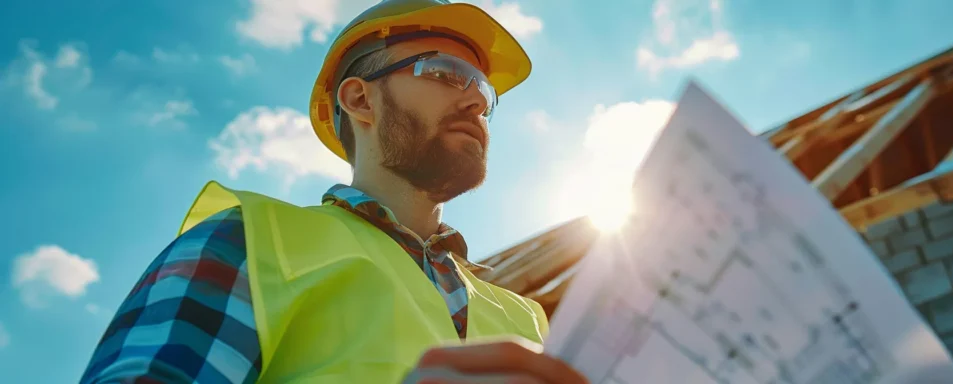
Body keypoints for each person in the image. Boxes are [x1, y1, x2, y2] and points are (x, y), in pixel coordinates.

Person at [79, 0, 588, 383]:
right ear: (360, 99)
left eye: (484, 91)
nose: (477, 101)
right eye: (450, 73)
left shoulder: (524, 317)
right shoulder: (253, 242)